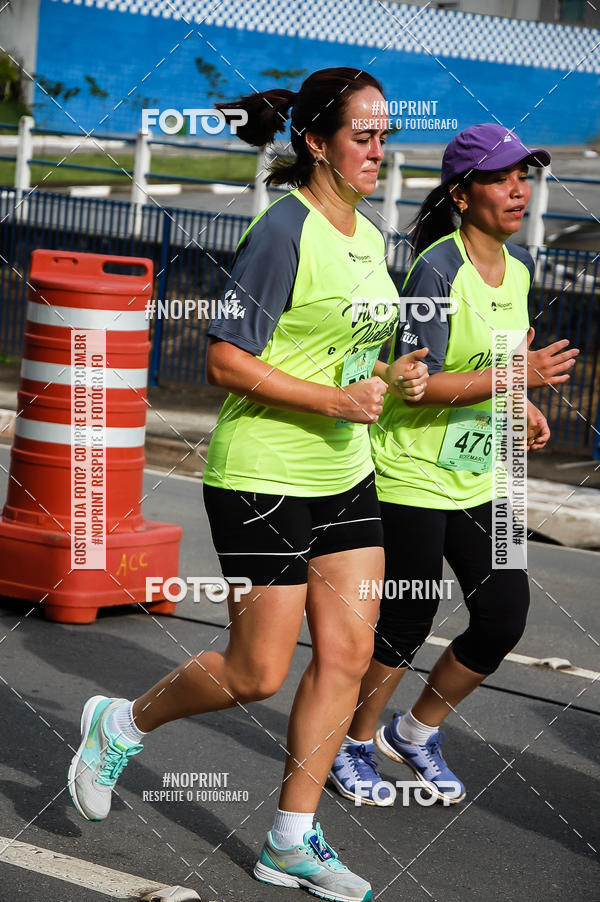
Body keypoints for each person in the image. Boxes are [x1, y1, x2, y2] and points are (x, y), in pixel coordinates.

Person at [67, 68, 429, 902]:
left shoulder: (368, 236)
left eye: (385, 134)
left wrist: (386, 374)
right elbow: (224, 358)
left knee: (346, 658)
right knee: (258, 672)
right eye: (363, 135)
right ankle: (119, 726)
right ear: (315, 142)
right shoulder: (283, 231)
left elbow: (333, 345)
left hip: (344, 471)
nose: (380, 149)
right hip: (262, 473)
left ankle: (289, 844)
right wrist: (335, 396)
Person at [329, 123, 578, 808]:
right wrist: (513, 375)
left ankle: (415, 730)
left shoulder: (520, 271)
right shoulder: (436, 270)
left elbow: (496, 369)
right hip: (412, 472)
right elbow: (423, 384)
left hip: (484, 472)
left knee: (503, 615)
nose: (519, 189)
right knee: (409, 618)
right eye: (502, 178)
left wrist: (520, 400)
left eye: (524, 176)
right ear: (464, 195)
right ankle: (352, 743)